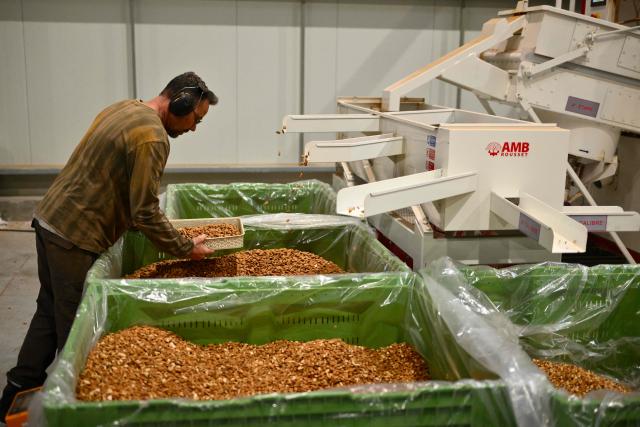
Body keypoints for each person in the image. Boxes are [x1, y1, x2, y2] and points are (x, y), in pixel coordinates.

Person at [0, 71, 218, 421]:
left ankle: (15, 391)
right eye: (196, 118)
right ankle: (72, 411)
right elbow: (145, 210)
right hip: (75, 236)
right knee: (77, 333)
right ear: (182, 101)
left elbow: (112, 178)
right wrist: (185, 247)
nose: (193, 128)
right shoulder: (153, 137)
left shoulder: (125, 109)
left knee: (48, 309)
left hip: (49, 220)